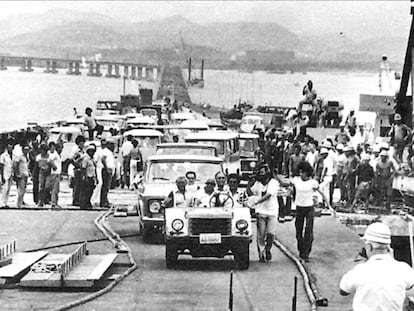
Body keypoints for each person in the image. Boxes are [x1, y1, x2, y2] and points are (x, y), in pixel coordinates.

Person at [339, 222, 414, 311]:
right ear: (388, 247)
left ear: (369, 246)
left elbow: (343, 291)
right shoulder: (404, 269)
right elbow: (409, 287)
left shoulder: (360, 270)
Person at [277, 161, 330, 261]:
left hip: (309, 208)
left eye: (303, 173)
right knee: (298, 230)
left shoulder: (313, 183)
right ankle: (301, 250)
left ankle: (306, 253)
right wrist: (276, 177)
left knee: (308, 231)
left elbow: (322, 194)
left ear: (308, 173)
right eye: (300, 172)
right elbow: (285, 184)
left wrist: (329, 205)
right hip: (299, 208)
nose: (301, 174)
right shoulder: (296, 180)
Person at [246, 164, 280, 262]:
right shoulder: (258, 183)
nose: (260, 174)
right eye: (259, 172)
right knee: (261, 234)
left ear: (267, 173)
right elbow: (250, 193)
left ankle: (268, 249)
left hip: (272, 211)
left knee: (270, 233)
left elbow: (268, 195)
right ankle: (262, 254)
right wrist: (249, 184)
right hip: (261, 211)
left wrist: (256, 202)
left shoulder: (273, 183)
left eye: (262, 172)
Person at [80, 144, 97, 209]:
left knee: (90, 191)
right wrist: (85, 177)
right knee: (86, 191)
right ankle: (84, 204)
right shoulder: (86, 158)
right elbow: (83, 168)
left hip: (92, 177)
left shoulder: (91, 159)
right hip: (88, 177)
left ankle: (87, 203)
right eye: (91, 151)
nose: (92, 153)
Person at [71, 135, 85, 206]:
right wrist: (77, 165)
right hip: (77, 170)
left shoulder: (82, 151)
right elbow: (72, 160)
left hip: (81, 169)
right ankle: (75, 200)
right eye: (82, 143)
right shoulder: (76, 151)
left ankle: (79, 199)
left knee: (81, 185)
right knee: (77, 185)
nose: (83, 145)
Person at [101, 140, 115, 208]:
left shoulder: (110, 152)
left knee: (107, 186)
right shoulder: (106, 151)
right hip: (106, 170)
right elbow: (103, 159)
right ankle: (103, 202)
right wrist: (106, 168)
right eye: (112, 144)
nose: (113, 146)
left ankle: (105, 200)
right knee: (105, 186)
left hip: (109, 169)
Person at [48, 142, 62, 209]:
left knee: (57, 189)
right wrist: (54, 167)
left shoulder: (56, 153)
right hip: (54, 173)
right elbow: (50, 161)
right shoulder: (50, 154)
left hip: (57, 173)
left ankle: (55, 202)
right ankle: (53, 202)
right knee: (54, 189)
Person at [0, 142, 14, 208]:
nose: (10, 148)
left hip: (11, 174)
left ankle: (6, 202)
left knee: (8, 189)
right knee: (4, 189)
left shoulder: (13, 155)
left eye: (11, 147)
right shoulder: (3, 156)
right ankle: (2, 203)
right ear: (7, 147)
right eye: (9, 147)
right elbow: (1, 166)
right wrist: (2, 176)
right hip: (5, 173)